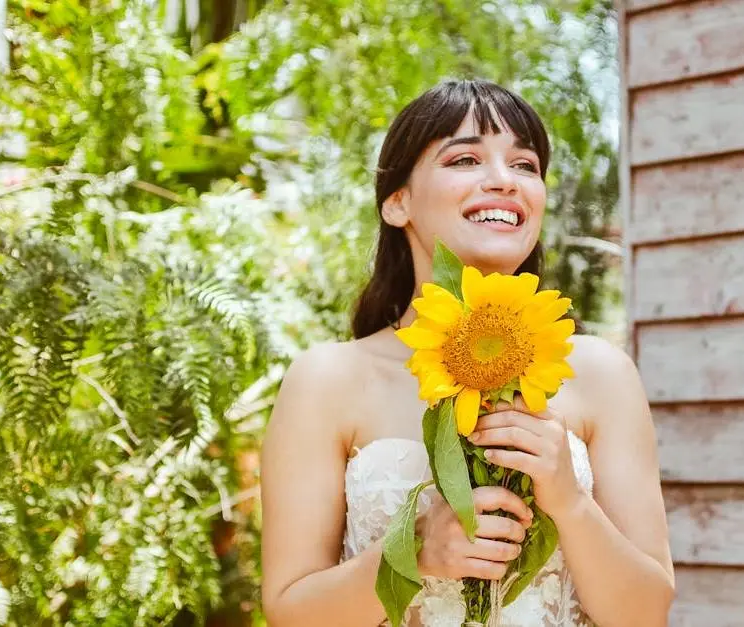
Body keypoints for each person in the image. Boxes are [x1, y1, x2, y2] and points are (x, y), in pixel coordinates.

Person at [260, 79, 674, 626]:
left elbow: (646, 615)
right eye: (466, 158)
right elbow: (289, 613)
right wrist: (413, 555)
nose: (504, 181)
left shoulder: (600, 374)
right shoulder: (328, 380)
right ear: (397, 202)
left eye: (525, 166)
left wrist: (569, 502)